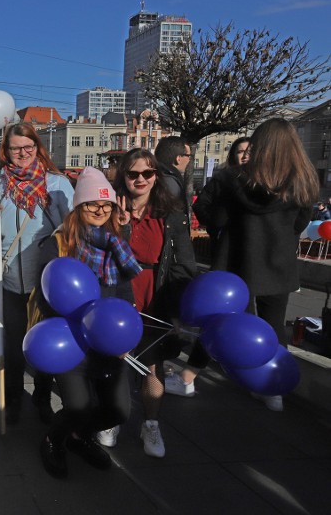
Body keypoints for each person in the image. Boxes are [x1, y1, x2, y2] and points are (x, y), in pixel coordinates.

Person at [194, 118, 318, 412]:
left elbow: (219, 219)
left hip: (238, 260)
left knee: (234, 322)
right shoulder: (303, 179)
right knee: (275, 326)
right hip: (279, 263)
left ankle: (222, 374)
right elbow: (301, 223)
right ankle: (273, 389)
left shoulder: (233, 179)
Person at [35, 167, 141, 479]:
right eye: (91, 204)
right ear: (78, 207)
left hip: (108, 342)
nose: (99, 210)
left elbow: (123, 291)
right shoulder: (56, 245)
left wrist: (123, 337)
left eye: (105, 205)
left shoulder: (115, 244)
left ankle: (79, 437)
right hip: (72, 340)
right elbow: (45, 298)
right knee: (78, 405)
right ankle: (53, 439)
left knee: (118, 410)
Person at [114, 148, 197, 458]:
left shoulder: (170, 212)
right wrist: (121, 225)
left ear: (155, 177)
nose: (140, 179)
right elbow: (104, 256)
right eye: (133, 173)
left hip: (155, 295)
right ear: (123, 176)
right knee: (116, 362)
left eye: (147, 173)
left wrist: (177, 310)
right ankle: (112, 419)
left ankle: (151, 423)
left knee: (152, 365)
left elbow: (184, 264)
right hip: (120, 293)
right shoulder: (109, 207)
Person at [0, 122, 74, 425]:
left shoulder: (56, 185)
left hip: (44, 283)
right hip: (7, 281)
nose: (22, 153)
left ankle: (42, 396)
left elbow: (72, 229)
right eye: (15, 148)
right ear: (6, 151)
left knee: (43, 344)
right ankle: (13, 397)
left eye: (28, 147)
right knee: (13, 348)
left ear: (37, 147)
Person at [167, 136, 251, 398]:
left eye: (250, 152)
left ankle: (269, 383)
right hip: (229, 255)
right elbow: (201, 205)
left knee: (267, 320)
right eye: (240, 152)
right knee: (216, 317)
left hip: (263, 260)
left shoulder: (271, 180)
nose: (245, 156)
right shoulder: (225, 179)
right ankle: (189, 377)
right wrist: (218, 226)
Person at [154, 136, 192, 222]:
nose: (189, 159)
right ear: (178, 158)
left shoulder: (155, 175)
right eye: (188, 156)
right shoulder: (170, 182)